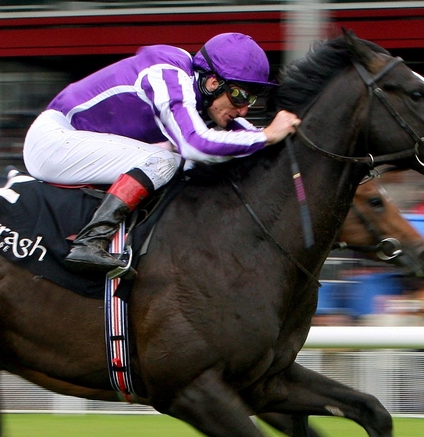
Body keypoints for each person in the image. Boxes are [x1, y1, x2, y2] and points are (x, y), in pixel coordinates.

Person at [23, 32, 301, 274]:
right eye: (240, 96)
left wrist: (277, 136)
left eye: (251, 99)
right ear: (213, 83)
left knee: (181, 162)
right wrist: (267, 135)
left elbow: (243, 133)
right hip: (54, 141)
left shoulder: (200, 89)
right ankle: (90, 242)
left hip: (78, 139)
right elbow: (196, 144)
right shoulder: (167, 75)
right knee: (166, 160)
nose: (243, 109)